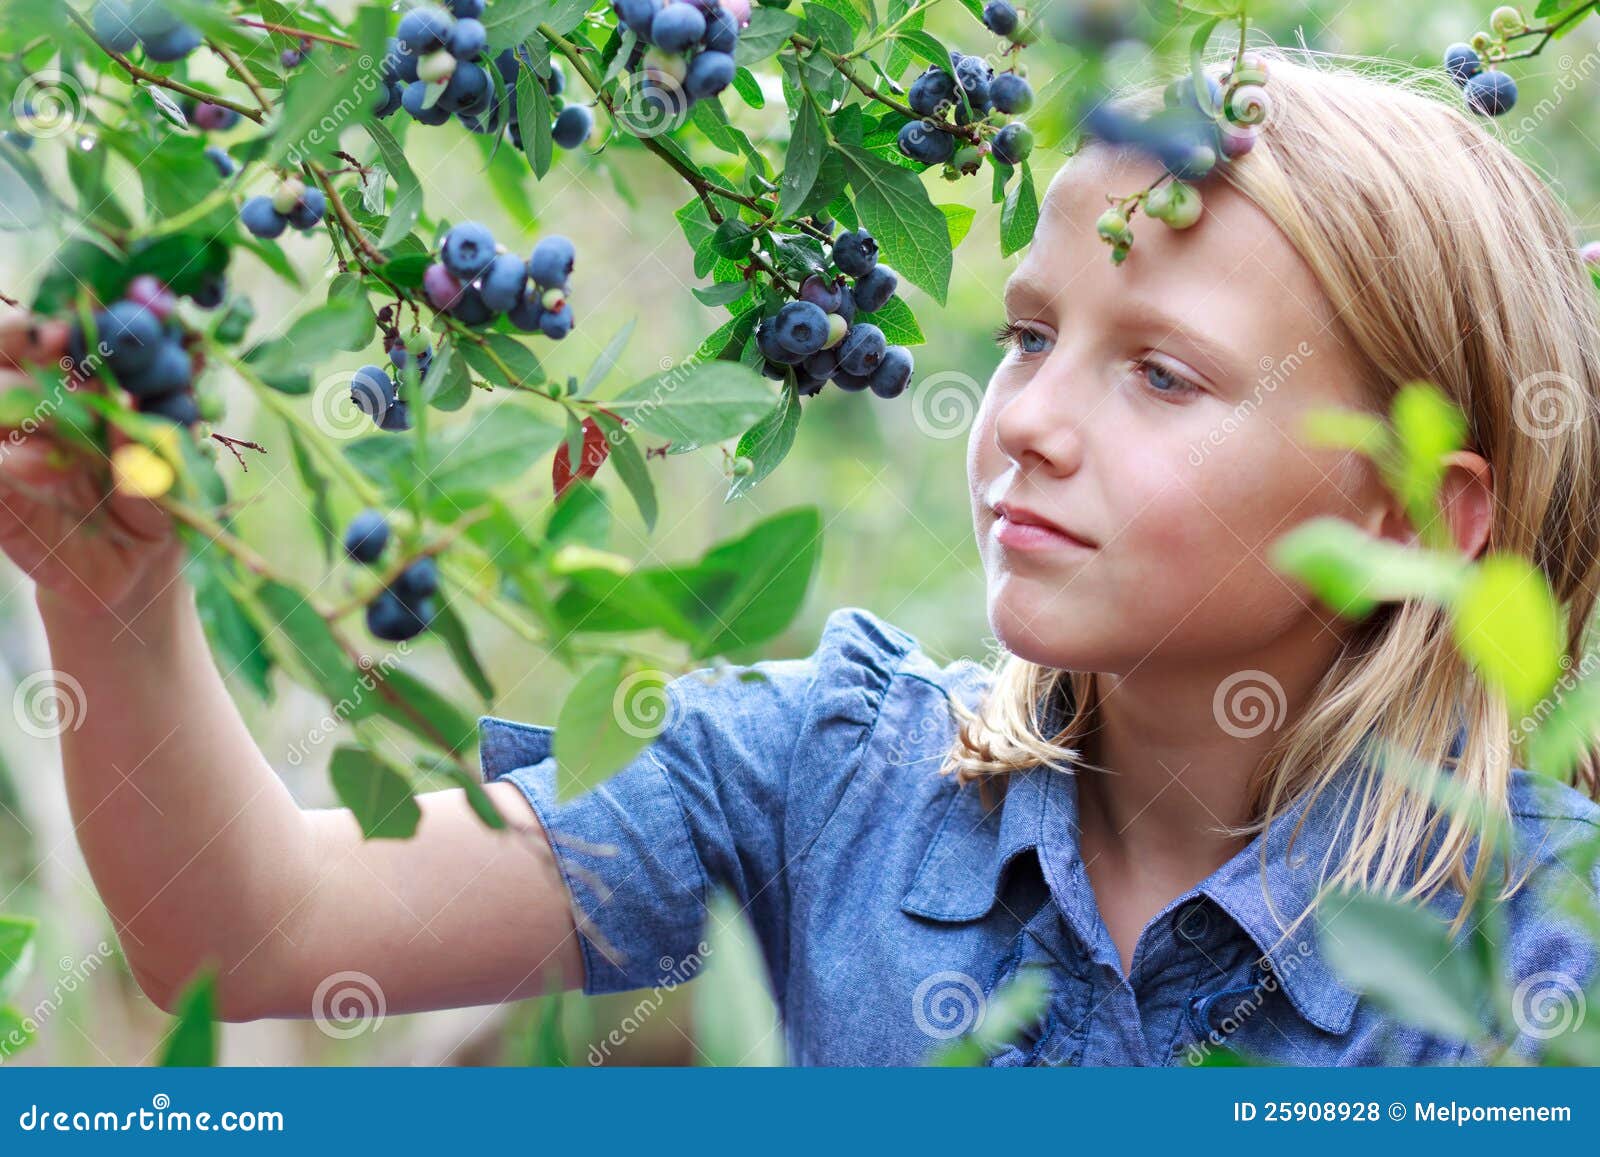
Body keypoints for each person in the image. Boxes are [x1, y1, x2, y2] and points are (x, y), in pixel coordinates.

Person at [3, 47, 1599, 1066]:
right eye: (1032, 336)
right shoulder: (831, 773)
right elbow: (256, 930)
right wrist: (113, 598)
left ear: (1407, 520)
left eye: (1161, 374)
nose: (1026, 421)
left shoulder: (1543, 953)